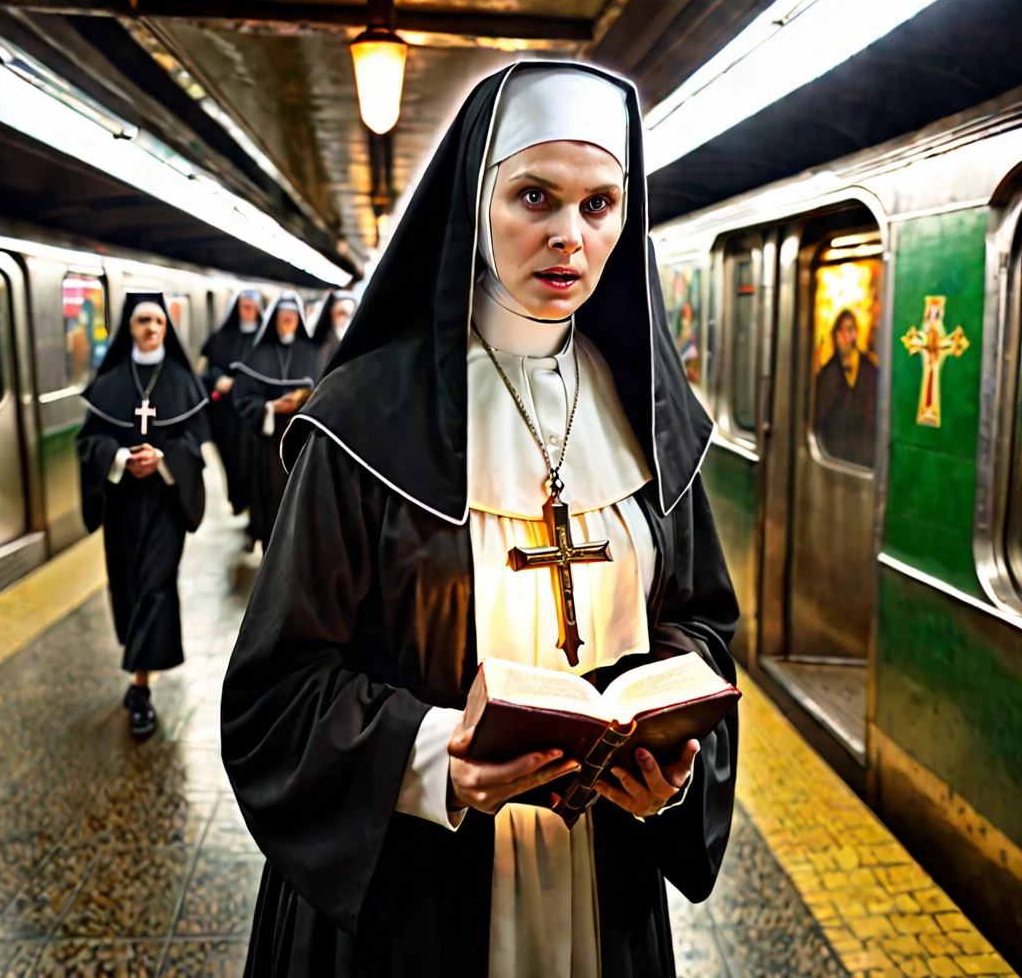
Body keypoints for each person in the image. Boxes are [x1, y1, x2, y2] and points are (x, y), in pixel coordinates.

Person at [221, 63, 739, 977]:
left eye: (600, 205)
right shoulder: (362, 422)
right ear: (475, 198)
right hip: (419, 886)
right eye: (535, 197)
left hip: (601, 873)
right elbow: (275, 695)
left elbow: (702, 624)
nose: (569, 239)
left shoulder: (651, 417)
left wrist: (672, 750)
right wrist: (436, 759)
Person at [76, 291, 208, 737]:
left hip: (166, 505)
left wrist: (164, 458)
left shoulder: (181, 381)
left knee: (155, 584)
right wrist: (116, 458)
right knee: (130, 586)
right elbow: (87, 445)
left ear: (166, 328)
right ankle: (139, 673)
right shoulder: (111, 379)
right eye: (142, 322)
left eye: (157, 321)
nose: (151, 329)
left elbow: (195, 445)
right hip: (122, 504)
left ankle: (141, 689)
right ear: (129, 328)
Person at [230, 292, 317, 548]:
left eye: (292, 318)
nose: (288, 322)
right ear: (274, 320)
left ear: (299, 321)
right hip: (268, 443)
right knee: (272, 504)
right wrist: (270, 407)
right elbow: (243, 398)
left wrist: (302, 404)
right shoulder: (259, 353)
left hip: (304, 442)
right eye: (283, 318)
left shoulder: (312, 353)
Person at [199, 289, 262, 535]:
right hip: (227, 414)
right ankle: (240, 503)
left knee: (254, 463)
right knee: (234, 461)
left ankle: (256, 512)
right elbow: (209, 369)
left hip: (254, 415)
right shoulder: (223, 337)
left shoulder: (264, 339)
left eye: (251, 307)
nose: (247, 312)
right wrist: (217, 379)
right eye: (243, 307)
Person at [815, 308, 878, 467]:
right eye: (845, 330)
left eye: (852, 330)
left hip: (865, 460)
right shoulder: (827, 375)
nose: (849, 336)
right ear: (836, 336)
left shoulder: (870, 372)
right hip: (834, 459)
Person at [310, 291, 358, 374]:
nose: (344, 319)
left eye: (348, 315)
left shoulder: (352, 342)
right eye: (341, 313)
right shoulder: (322, 338)